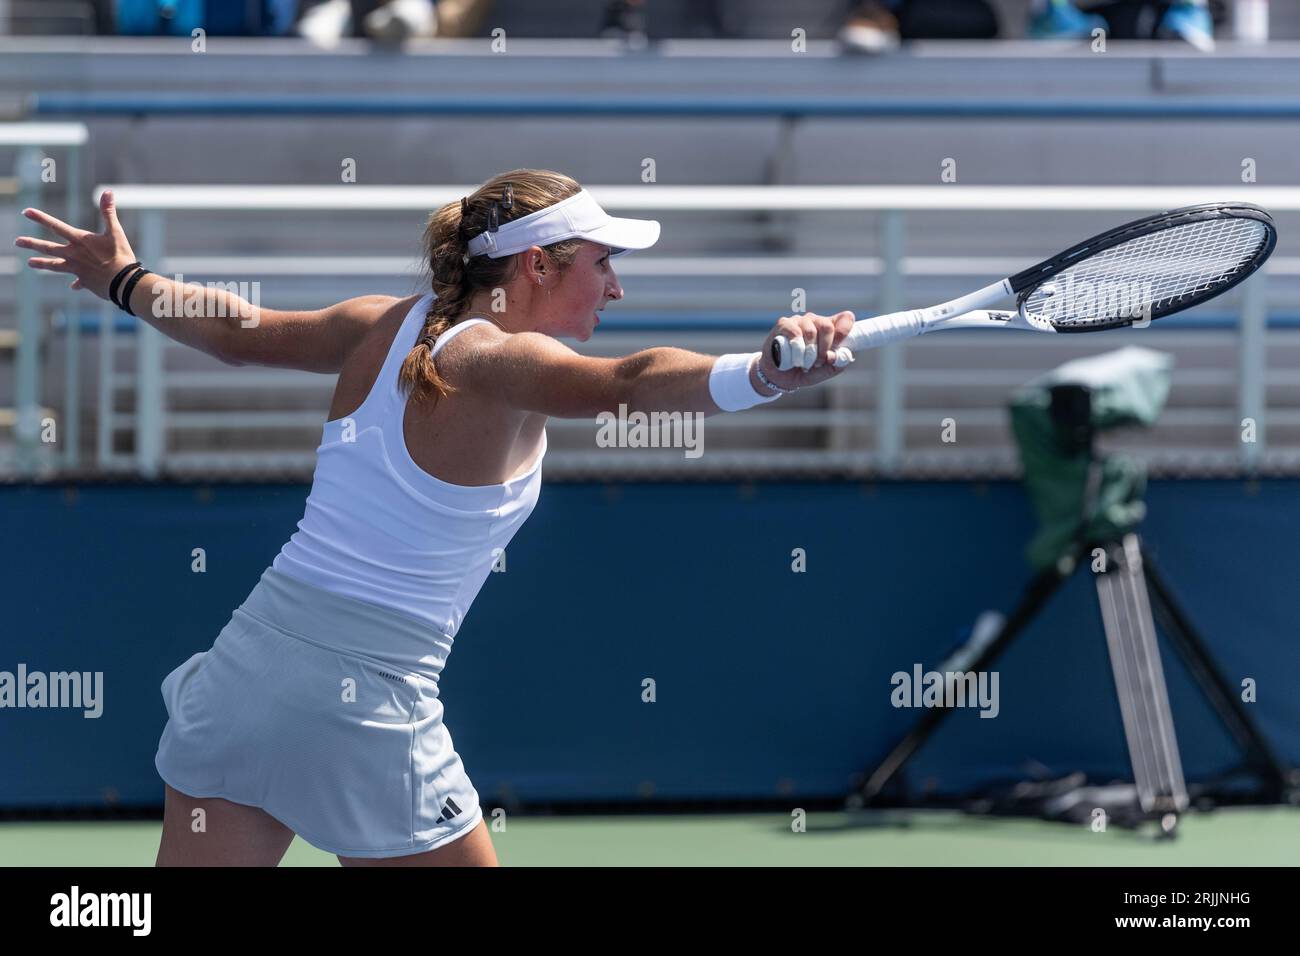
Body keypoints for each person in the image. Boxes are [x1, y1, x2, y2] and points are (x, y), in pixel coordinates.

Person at [14, 169, 856, 865]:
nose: (616, 284)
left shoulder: (379, 323)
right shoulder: (498, 356)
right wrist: (761, 374)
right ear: (536, 266)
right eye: (600, 262)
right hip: (364, 702)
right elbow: (632, 383)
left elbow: (238, 331)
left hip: (244, 674)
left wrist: (123, 280)